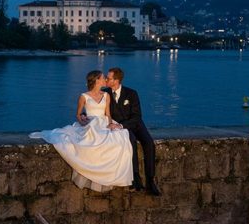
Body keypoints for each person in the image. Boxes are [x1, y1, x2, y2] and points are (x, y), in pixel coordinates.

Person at [29, 70, 133, 192]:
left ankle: (111, 175)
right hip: (90, 123)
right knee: (89, 140)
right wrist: (83, 120)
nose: (105, 79)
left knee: (120, 139)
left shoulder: (106, 95)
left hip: (104, 122)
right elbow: (78, 114)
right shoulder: (84, 96)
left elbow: (108, 113)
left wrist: (110, 123)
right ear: (96, 80)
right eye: (103, 78)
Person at [105, 67, 161, 196]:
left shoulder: (131, 93)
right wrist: (86, 114)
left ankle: (150, 180)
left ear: (116, 80)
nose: (106, 80)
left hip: (135, 124)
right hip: (120, 127)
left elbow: (137, 116)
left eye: (109, 78)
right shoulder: (105, 93)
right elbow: (95, 105)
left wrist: (122, 125)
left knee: (149, 143)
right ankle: (135, 177)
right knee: (131, 142)